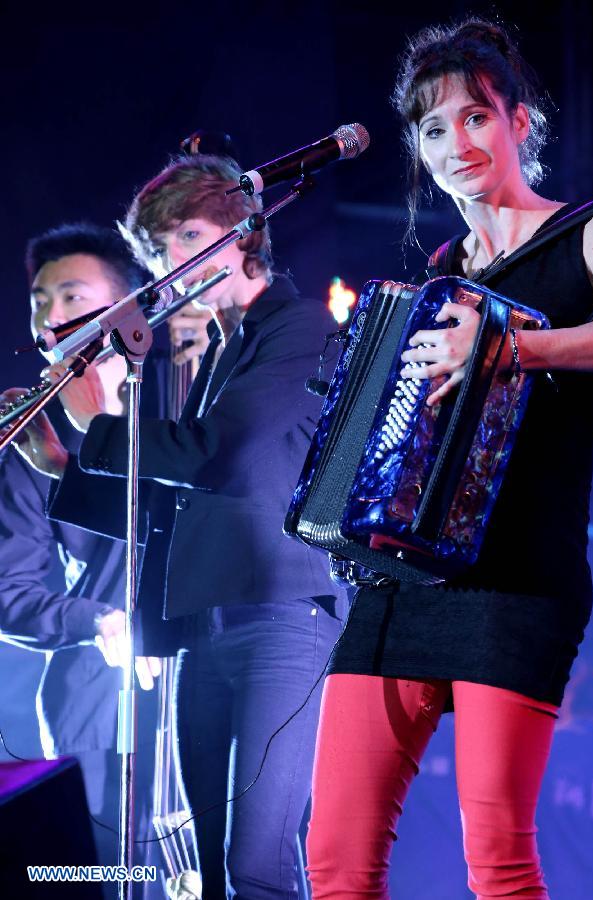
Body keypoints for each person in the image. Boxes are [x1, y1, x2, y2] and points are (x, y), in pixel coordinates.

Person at [304, 18, 593, 900]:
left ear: (520, 121)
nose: (458, 142)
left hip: (518, 580)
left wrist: (511, 344)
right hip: (401, 584)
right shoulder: (436, 274)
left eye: (477, 116)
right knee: (335, 862)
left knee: (498, 865)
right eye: (435, 128)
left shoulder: (585, 234)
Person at [16, 154, 348, 899]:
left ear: (244, 232)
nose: (176, 263)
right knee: (205, 868)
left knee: (256, 863)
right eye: (162, 250)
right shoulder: (225, 352)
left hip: (282, 620)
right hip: (205, 627)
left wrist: (96, 420)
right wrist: (59, 462)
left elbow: (222, 453)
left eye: (191, 235)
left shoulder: (299, 326)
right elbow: (173, 508)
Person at [0, 223, 174, 891]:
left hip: (208, 671)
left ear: (128, 308)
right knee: (87, 872)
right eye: (40, 300)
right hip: (95, 700)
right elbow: (10, 590)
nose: (51, 315)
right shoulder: (32, 437)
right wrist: (94, 619)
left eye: (72, 295)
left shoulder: (179, 394)